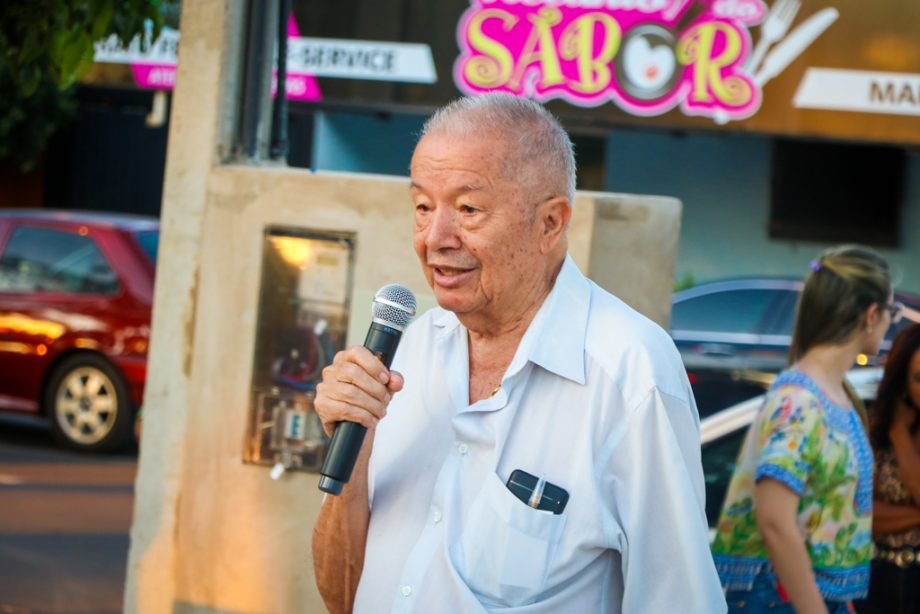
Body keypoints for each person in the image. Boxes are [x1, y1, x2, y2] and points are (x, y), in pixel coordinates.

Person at [311, 93, 725, 613]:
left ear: (551, 223)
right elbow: (343, 597)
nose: (434, 238)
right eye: (422, 207)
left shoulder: (629, 372)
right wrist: (358, 446)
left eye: (468, 209)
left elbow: (678, 601)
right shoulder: (409, 349)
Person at [711, 246, 895, 613]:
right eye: (891, 311)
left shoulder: (837, 394)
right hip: (774, 599)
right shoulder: (798, 400)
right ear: (871, 315)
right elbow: (775, 521)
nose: (892, 320)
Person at [860, 323, 920, 613]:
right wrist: (896, 429)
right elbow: (863, 516)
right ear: (902, 382)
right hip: (877, 577)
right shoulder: (876, 431)